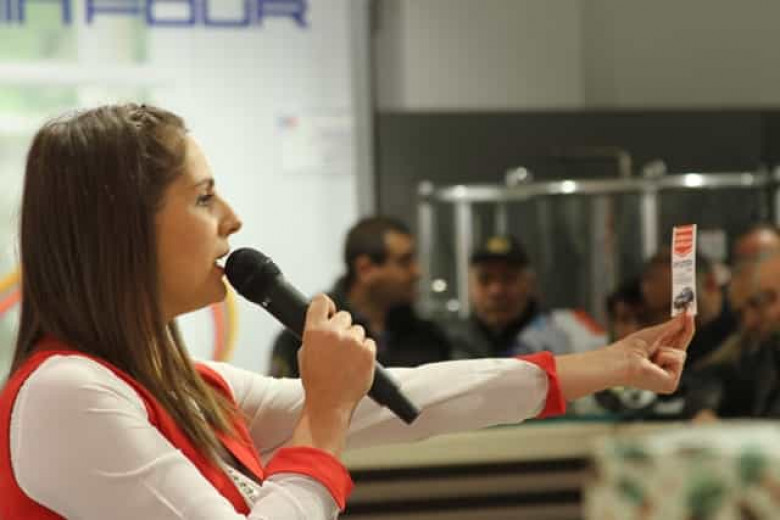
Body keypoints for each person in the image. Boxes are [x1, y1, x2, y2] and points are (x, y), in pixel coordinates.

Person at [0, 104, 694, 519]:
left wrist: (603, 366)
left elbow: (409, 401)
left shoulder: (184, 384)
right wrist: (326, 412)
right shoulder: (69, 394)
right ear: (122, 228)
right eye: (204, 197)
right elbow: (337, 415)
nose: (232, 219)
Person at [269, 216, 451, 378]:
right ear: (365, 269)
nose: (417, 272)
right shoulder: (305, 335)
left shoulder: (428, 337)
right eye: (404, 261)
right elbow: (285, 402)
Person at [449, 235, 606, 359]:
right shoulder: (449, 342)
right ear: (470, 286)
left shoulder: (568, 336)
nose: (496, 291)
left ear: (530, 284)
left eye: (508, 279)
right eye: (485, 279)